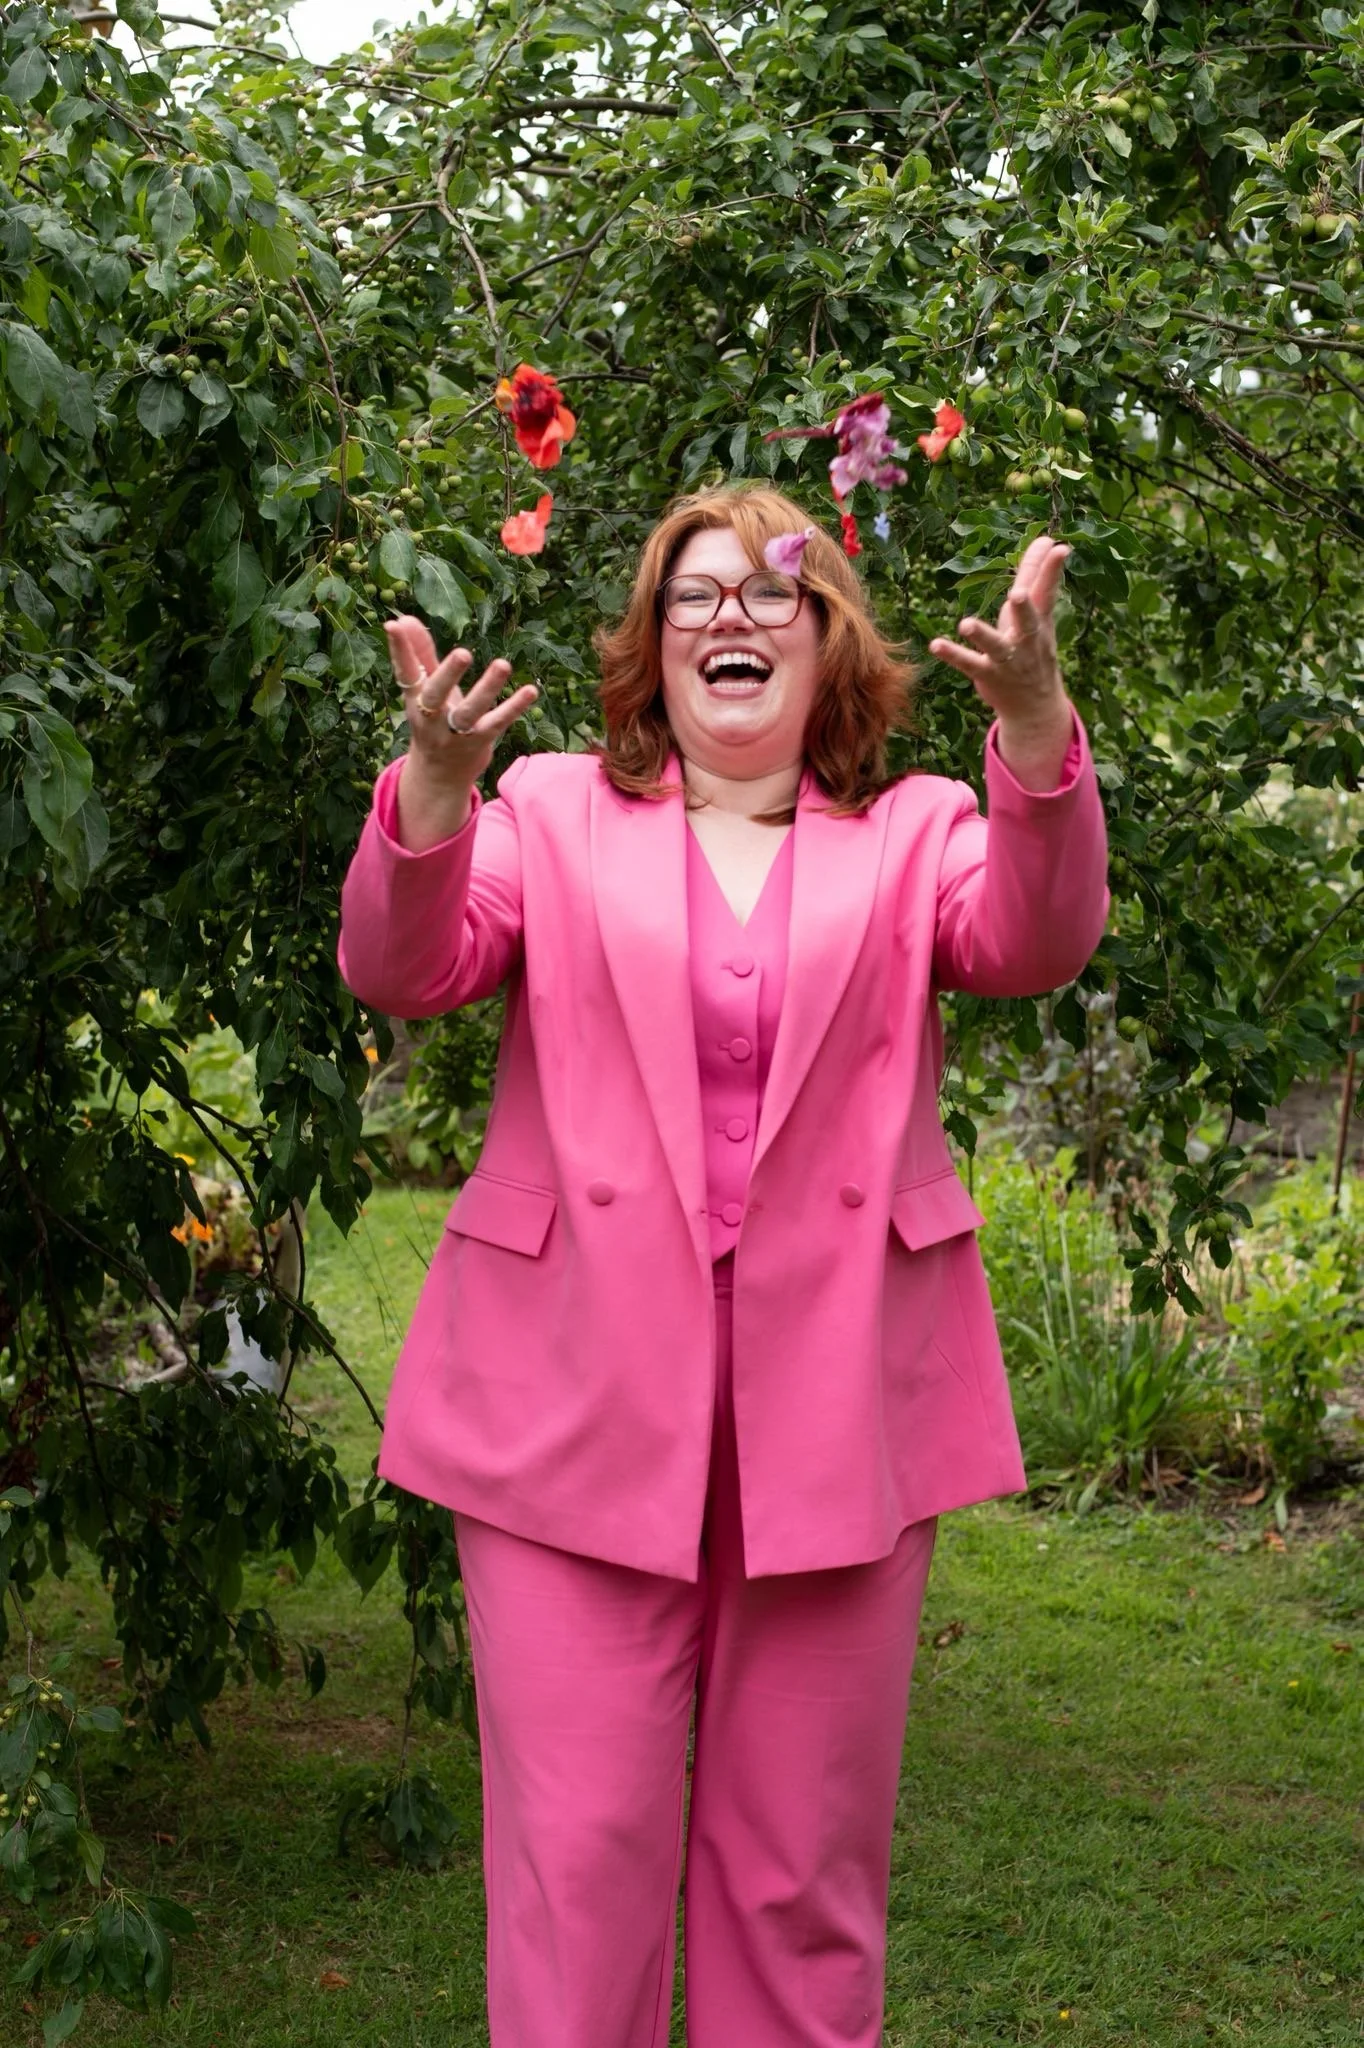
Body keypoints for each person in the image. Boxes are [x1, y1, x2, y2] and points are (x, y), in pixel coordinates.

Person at [338, 484, 1108, 2048]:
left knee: (799, 1887)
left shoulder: (917, 837)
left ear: (831, 650)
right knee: (578, 1872)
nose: (730, 621)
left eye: (770, 597)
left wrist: (1035, 732)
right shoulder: (546, 811)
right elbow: (404, 966)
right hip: (567, 1413)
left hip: (836, 1429)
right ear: (649, 646)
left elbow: (1035, 940)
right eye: (693, 598)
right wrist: (429, 789)